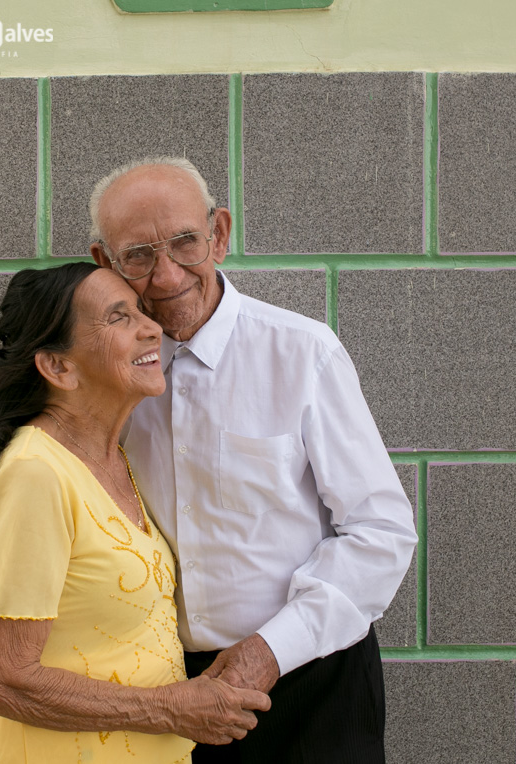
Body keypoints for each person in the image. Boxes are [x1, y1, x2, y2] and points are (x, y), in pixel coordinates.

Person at [87, 157, 418, 763]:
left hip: (311, 682)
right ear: (104, 264)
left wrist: (269, 650)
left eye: (184, 242)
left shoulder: (303, 353)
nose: (164, 276)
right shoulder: (97, 374)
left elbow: (381, 532)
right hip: (164, 695)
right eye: (137, 255)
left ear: (218, 234)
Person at [0, 262, 271, 764]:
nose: (151, 326)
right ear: (59, 367)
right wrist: (170, 710)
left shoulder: (111, 458)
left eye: (139, 311)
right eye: (118, 318)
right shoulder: (35, 474)